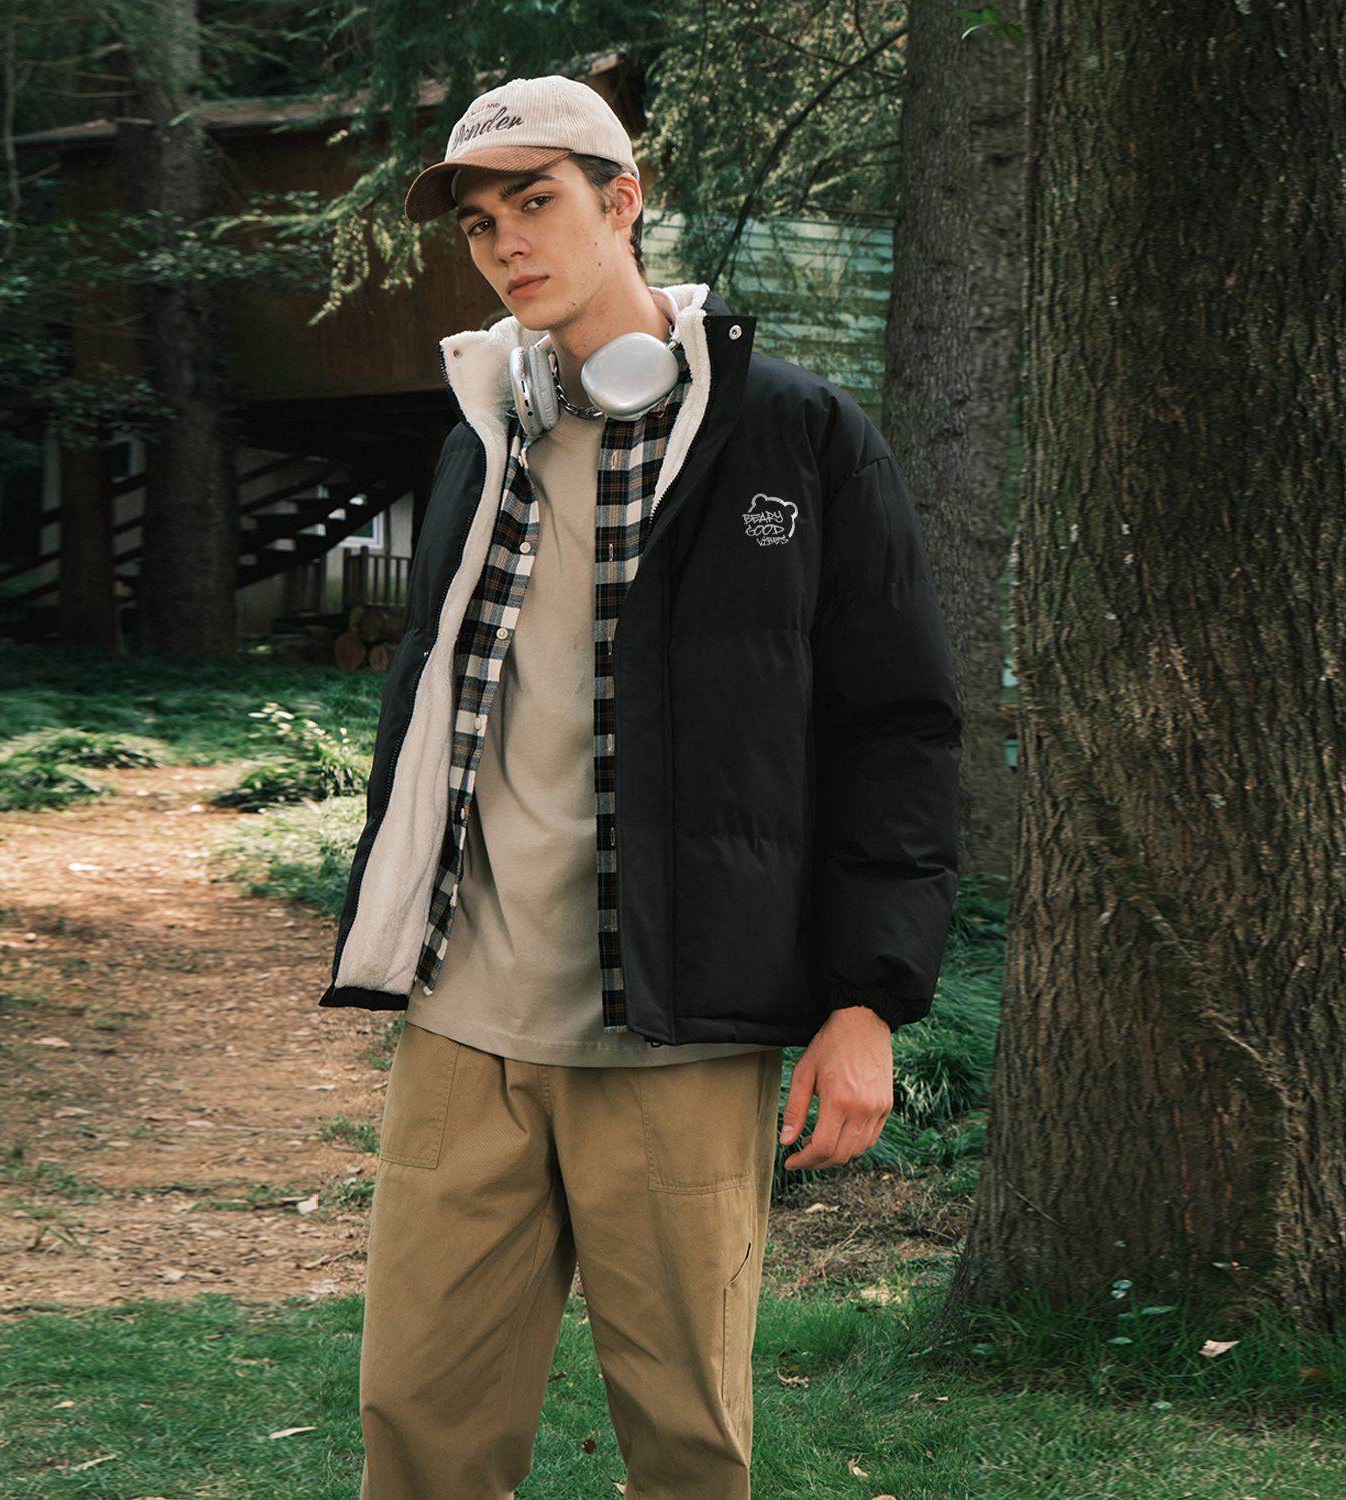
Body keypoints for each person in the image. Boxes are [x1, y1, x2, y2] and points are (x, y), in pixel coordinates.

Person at [320, 74, 962, 1500]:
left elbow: (897, 731)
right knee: (417, 1435)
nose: (506, 242)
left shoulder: (801, 436)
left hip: (678, 1035)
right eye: (479, 222)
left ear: (624, 201)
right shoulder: (481, 436)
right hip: (466, 1025)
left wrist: (868, 998)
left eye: (536, 201)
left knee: (686, 1448)